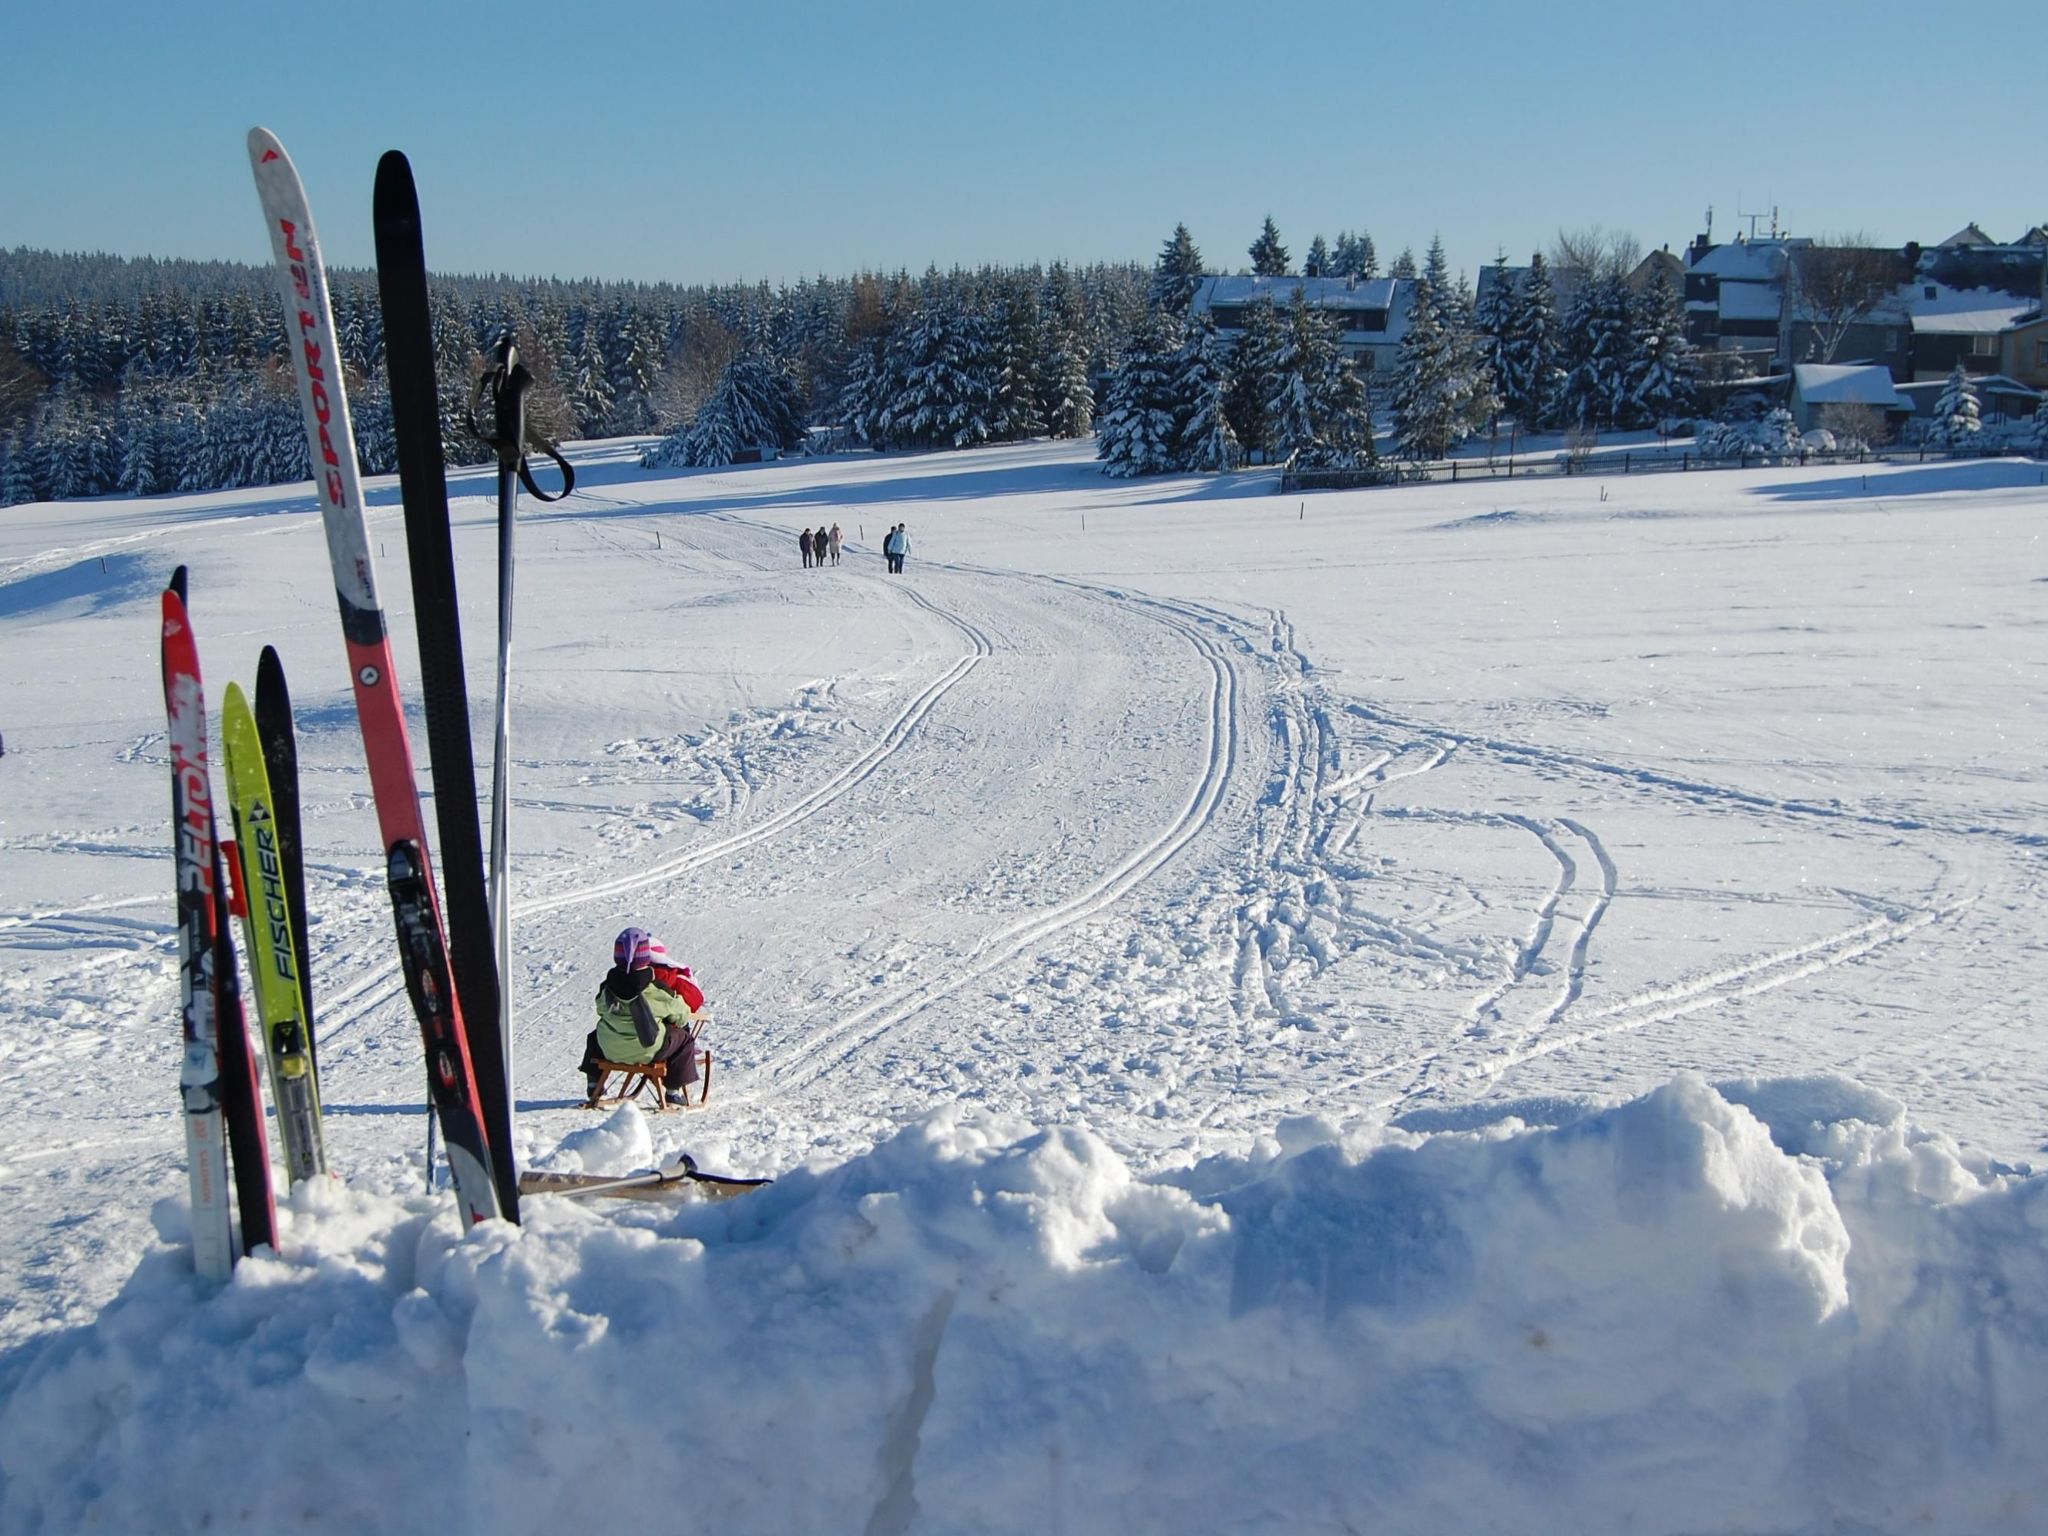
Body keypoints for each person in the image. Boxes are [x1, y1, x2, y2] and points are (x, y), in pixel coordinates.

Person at [583, 926, 706, 1106]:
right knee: (684, 1040)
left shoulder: (607, 988)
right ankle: (672, 1091)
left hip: (609, 1049)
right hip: (649, 1050)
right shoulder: (656, 990)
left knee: (595, 1036)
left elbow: (600, 1009)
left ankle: (594, 1083)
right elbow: (681, 1015)